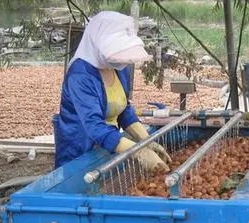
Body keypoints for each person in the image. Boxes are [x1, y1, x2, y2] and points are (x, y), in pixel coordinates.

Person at [53, 11, 171, 171]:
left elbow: (123, 108)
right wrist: (139, 151)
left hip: (109, 144)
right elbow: (94, 126)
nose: (121, 60)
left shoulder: (119, 68)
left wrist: (147, 140)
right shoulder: (80, 76)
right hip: (80, 149)